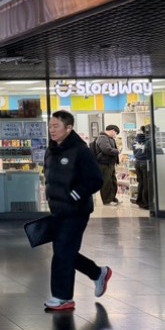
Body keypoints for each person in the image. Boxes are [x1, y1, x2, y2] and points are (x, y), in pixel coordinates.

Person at [42, 110, 111, 311]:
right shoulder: (52, 149)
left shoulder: (80, 151)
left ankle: (63, 298)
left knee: (63, 252)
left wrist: (75, 194)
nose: (52, 130)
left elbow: (96, 179)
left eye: (56, 126)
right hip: (58, 210)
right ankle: (98, 273)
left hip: (76, 211)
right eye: (50, 126)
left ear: (69, 128)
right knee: (65, 251)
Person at [92, 125, 121, 205]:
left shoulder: (109, 138)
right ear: (112, 130)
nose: (115, 135)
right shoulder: (102, 138)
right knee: (106, 182)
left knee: (112, 182)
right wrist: (117, 151)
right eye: (116, 133)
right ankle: (107, 200)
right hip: (104, 164)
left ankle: (112, 198)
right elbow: (106, 149)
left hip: (110, 164)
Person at [133, 126, 152, 210]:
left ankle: (139, 201)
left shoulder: (135, 140)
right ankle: (146, 203)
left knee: (141, 183)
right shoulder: (150, 140)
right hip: (146, 163)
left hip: (137, 163)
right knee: (147, 183)